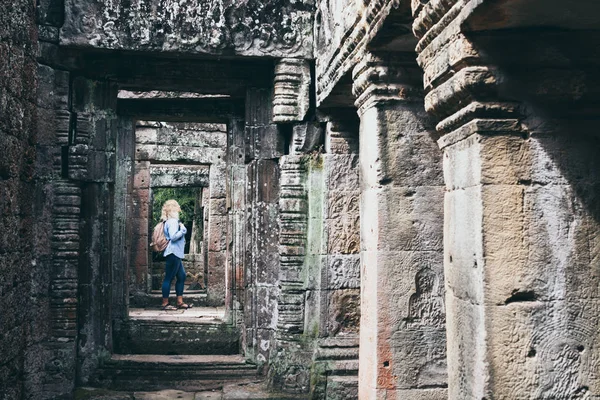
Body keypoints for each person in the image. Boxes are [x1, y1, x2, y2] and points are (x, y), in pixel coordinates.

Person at [160, 199, 193, 310]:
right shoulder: (173, 221)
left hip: (175, 253)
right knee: (169, 277)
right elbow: (173, 237)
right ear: (173, 209)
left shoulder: (169, 221)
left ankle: (179, 302)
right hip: (173, 252)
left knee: (182, 276)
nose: (179, 211)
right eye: (177, 209)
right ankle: (165, 303)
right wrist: (183, 230)